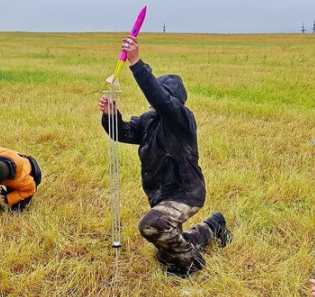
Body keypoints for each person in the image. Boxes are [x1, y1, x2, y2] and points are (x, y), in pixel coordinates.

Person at [99, 35, 232, 278]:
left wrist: (136, 63)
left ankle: (191, 263)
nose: (155, 104)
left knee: (153, 225)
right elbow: (124, 133)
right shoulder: (149, 120)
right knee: (166, 243)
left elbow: (160, 100)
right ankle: (214, 226)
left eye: (162, 97)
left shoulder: (181, 119)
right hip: (162, 194)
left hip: (186, 193)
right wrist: (111, 115)